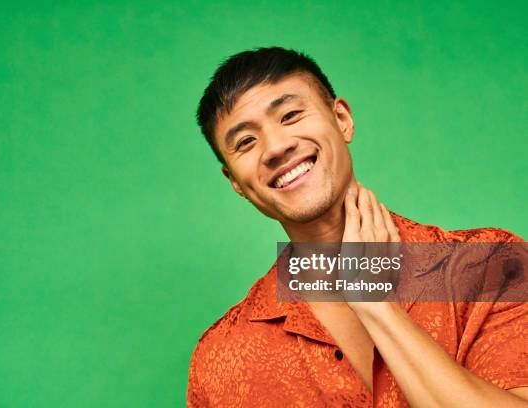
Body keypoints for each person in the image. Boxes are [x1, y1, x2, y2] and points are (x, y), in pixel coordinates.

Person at [187, 47, 528, 407]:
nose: (275, 146)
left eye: (289, 115)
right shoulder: (221, 359)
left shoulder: (491, 267)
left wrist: (376, 305)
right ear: (235, 182)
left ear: (342, 119)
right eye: (245, 142)